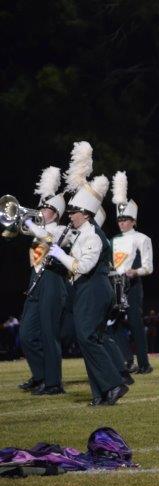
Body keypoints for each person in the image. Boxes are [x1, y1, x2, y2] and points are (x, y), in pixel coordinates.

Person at [45, 141, 128, 405]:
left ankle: (114, 384)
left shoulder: (93, 236)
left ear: (86, 214)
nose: (69, 216)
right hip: (85, 289)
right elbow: (53, 237)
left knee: (87, 337)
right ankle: (101, 393)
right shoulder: (80, 233)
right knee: (88, 338)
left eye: (73, 212)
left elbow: (82, 267)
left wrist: (59, 255)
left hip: (95, 288)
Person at [17, 166, 68, 395]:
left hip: (52, 283)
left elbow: (46, 236)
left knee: (49, 334)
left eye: (45, 209)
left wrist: (28, 222)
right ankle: (40, 376)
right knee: (26, 334)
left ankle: (53, 383)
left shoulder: (61, 230)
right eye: (41, 207)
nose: (40, 211)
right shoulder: (38, 229)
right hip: (35, 282)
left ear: (55, 214)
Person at [109, 171, 154, 374]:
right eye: (120, 219)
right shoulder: (112, 241)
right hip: (115, 286)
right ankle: (127, 360)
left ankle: (144, 364)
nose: (122, 223)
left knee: (136, 324)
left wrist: (135, 272)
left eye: (125, 219)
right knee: (114, 323)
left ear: (133, 221)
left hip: (133, 285)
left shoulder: (142, 238)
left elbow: (149, 267)